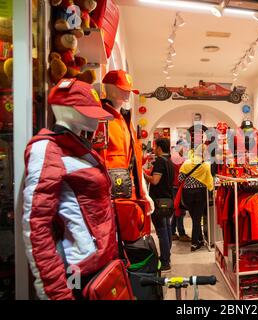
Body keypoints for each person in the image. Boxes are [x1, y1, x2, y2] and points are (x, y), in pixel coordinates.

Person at [22, 80, 118, 299]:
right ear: (64, 110)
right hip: (77, 270)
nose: (94, 119)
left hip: (100, 264)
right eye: (87, 112)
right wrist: (56, 292)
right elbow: (36, 225)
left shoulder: (81, 150)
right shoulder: (47, 149)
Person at [93, 70, 154, 243]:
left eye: (127, 89)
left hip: (129, 196)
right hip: (111, 197)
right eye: (121, 89)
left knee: (131, 242)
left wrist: (144, 192)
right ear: (108, 88)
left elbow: (135, 159)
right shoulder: (101, 119)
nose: (126, 93)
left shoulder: (126, 122)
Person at [145, 138, 175, 272]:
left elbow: (155, 181)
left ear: (159, 148)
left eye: (155, 146)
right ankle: (167, 255)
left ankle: (165, 261)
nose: (154, 149)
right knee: (167, 228)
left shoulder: (159, 162)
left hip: (158, 201)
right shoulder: (169, 162)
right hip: (168, 200)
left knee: (162, 231)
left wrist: (143, 175)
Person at [178, 144, 214, 252]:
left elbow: (180, 178)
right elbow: (210, 181)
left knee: (195, 218)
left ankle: (200, 239)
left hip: (187, 193)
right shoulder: (206, 165)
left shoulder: (187, 163)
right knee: (197, 218)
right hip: (200, 193)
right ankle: (194, 243)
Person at [170, 143, 191, 242]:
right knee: (179, 210)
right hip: (177, 186)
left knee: (177, 210)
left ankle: (172, 232)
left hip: (176, 186)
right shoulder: (177, 159)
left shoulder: (177, 157)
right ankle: (181, 233)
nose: (186, 149)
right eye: (185, 147)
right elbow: (183, 172)